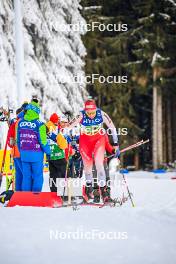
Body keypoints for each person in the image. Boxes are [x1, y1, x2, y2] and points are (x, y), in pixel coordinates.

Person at [67, 99, 120, 202]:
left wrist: (116, 144)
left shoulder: (101, 114)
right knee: (87, 168)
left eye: (92, 112)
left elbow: (112, 128)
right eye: (88, 113)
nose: (91, 115)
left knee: (99, 164)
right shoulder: (81, 115)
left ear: (96, 109)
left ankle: (104, 193)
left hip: (98, 140)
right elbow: (69, 126)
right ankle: (88, 191)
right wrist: (65, 136)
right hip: (85, 143)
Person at [17, 98, 50, 192]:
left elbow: (18, 140)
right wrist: (48, 152)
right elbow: (43, 141)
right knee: (37, 176)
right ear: (37, 111)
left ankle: (25, 197)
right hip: (36, 155)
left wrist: (22, 151)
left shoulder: (20, 123)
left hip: (24, 154)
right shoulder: (40, 124)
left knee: (26, 177)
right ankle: (36, 196)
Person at [46, 113, 68, 192]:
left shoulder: (45, 127)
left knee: (53, 175)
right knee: (64, 174)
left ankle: (54, 193)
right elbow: (63, 145)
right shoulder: (55, 128)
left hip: (50, 156)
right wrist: (65, 144)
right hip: (58, 155)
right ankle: (66, 193)